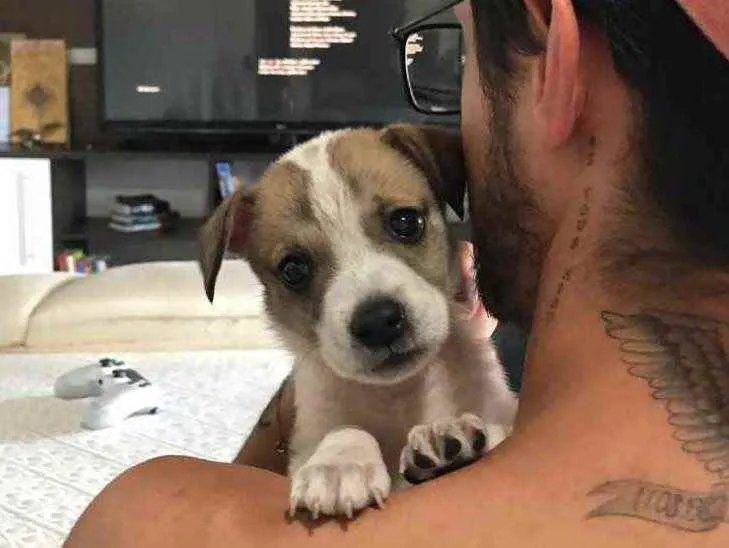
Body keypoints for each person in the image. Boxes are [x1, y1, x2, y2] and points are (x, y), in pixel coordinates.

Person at [65, 0, 729, 546]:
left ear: (557, 58)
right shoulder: (521, 365)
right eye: (297, 268)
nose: (375, 306)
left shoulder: (151, 522)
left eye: (460, 58)